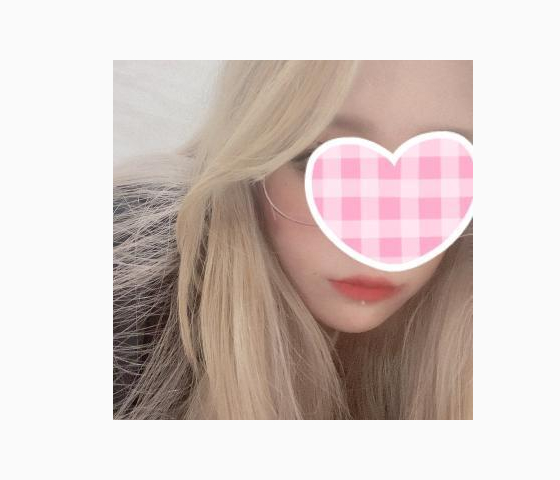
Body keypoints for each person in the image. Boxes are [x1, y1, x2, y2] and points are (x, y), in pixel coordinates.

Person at [113, 60, 473, 420]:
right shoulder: (136, 274)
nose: (381, 238)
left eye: (440, 171)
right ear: (252, 155)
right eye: (324, 162)